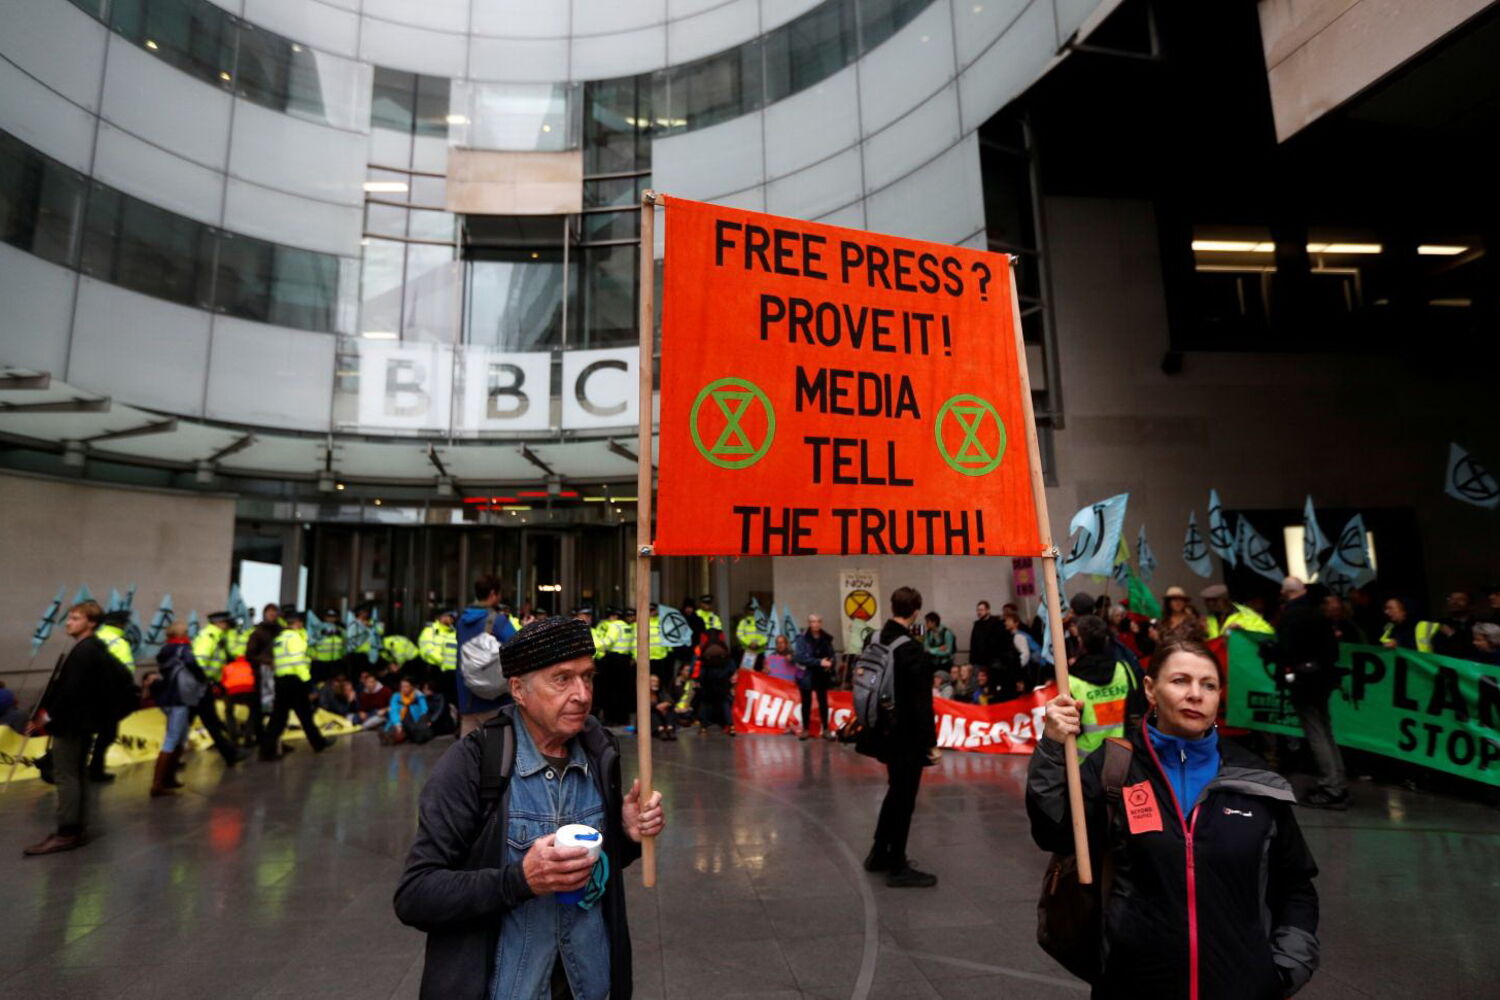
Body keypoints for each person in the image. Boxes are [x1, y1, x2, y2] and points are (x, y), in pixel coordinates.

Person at [1028, 633, 1321, 998]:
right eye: (1180, 680)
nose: (1195, 694)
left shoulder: (1255, 780)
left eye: (1208, 685)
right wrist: (1052, 747)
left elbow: (1295, 884)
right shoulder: (1115, 768)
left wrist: (1288, 967)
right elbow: (1052, 831)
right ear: (1150, 689)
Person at [393, 616, 665, 1000]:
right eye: (562, 679)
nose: (582, 694)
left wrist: (625, 834)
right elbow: (415, 895)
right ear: (519, 689)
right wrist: (520, 880)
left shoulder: (598, 749)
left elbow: (595, 869)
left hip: (589, 985)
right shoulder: (474, 764)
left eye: (587, 677)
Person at [25, 601, 123, 855]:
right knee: (77, 774)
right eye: (69, 618)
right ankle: (76, 828)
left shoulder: (84, 651)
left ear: (91, 623)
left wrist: (46, 717)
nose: (68, 622)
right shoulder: (94, 648)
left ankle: (67, 832)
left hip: (71, 723)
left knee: (66, 775)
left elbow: (71, 690)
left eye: (76, 618)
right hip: (83, 722)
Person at [863, 587, 939, 888]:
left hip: (880, 730)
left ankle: (879, 853)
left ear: (892, 606)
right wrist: (931, 743)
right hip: (906, 736)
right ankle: (897, 865)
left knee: (895, 791)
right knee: (904, 798)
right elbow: (922, 704)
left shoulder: (874, 639)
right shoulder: (912, 650)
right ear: (916, 611)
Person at [1277, 581, 1347, 809]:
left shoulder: (1292, 615)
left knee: (1316, 732)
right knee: (1326, 730)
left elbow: (1286, 650)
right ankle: (1338, 781)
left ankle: (1331, 786)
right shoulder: (1318, 613)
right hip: (1322, 679)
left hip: (1304, 681)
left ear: (1286, 592)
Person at [259, 609, 335, 760]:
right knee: (301, 715)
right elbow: (298, 662)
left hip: (281, 680)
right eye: (301, 622)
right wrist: (307, 681)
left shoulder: (280, 638)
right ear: (298, 623)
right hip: (295, 681)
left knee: (281, 717)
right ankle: (317, 743)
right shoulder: (295, 638)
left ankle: (268, 749)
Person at [1066, 615, 1146, 755]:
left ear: (1080, 641)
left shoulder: (1070, 680)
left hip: (1084, 759)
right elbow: (1137, 709)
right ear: (1107, 640)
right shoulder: (1124, 670)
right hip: (1121, 754)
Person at [151, 621, 210, 797]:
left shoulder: (165, 650)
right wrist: (203, 678)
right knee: (172, 740)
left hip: (168, 697)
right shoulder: (183, 650)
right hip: (180, 697)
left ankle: (169, 778)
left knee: (180, 738)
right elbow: (193, 665)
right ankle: (158, 784)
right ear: (182, 634)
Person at [456, 575, 517, 736]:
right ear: (492, 594)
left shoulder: (462, 621)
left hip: (467, 698)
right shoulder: (498, 621)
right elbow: (517, 646)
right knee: (500, 745)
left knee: (469, 747)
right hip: (494, 699)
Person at [189, 610, 249, 765]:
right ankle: (230, 754)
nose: (229, 625)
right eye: (227, 623)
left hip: (202, 686)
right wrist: (206, 682)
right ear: (219, 623)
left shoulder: (217, 637)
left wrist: (216, 682)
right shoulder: (209, 637)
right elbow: (199, 662)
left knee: (210, 722)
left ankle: (230, 753)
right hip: (200, 686)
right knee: (209, 722)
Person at [88, 609, 136, 783]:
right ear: (121, 624)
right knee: (107, 734)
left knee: (87, 733)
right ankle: (96, 770)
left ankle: (87, 768)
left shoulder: (95, 638)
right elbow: (127, 672)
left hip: (90, 694)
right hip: (109, 697)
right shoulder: (120, 642)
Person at [793, 613, 836, 740]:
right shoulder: (802, 639)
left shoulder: (826, 638)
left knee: (823, 702)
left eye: (818, 621)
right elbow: (799, 657)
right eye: (813, 622)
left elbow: (832, 654)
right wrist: (819, 662)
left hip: (822, 674)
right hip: (807, 674)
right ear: (809, 623)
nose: (815, 624)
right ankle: (805, 729)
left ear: (821, 623)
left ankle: (826, 729)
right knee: (806, 702)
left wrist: (831, 663)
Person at [696, 638, 737, 736]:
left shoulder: (706, 648)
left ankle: (703, 727)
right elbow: (732, 669)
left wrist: (699, 681)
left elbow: (700, 670)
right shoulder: (723, 649)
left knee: (705, 703)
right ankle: (731, 726)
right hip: (723, 680)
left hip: (709, 680)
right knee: (725, 703)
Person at [419, 609, 459, 703]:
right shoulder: (430, 630)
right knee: (435, 699)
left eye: (453, 617)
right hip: (435, 670)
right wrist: (442, 662)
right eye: (449, 616)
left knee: (450, 699)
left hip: (452, 672)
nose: (451, 619)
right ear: (441, 617)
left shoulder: (454, 632)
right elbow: (427, 650)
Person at [382, 676, 431, 746]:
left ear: (412, 687)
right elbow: (394, 710)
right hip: (400, 719)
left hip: (414, 720)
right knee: (393, 728)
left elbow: (424, 709)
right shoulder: (396, 696)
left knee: (416, 733)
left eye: (406, 686)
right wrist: (397, 724)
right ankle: (391, 736)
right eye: (402, 687)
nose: (404, 689)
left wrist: (423, 720)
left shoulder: (418, 695)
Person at [968, 600, 1006, 684]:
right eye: (978, 610)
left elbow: (1000, 641)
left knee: (993, 681)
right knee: (977, 681)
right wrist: (972, 660)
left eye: (981, 610)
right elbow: (973, 642)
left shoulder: (996, 623)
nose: (979, 612)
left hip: (993, 658)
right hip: (979, 659)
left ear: (988, 610)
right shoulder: (977, 624)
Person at [1433, 590, 1477, 660]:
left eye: (1460, 599)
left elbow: (1472, 651)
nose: (1454, 602)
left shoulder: (1478, 625)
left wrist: (1451, 635)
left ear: (1471, 605)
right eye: (1451, 599)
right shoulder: (1440, 624)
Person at [735, 602, 768, 670]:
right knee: (747, 672)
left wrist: (759, 644)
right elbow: (739, 635)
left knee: (760, 674)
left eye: (755, 609)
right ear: (747, 610)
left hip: (761, 652)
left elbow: (767, 635)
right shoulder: (743, 622)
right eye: (751, 609)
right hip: (748, 652)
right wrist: (749, 643)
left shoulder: (764, 622)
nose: (753, 611)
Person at [649, 673, 677, 740]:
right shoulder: (643, 692)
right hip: (651, 719)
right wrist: (656, 706)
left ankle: (670, 729)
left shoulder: (660, 691)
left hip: (662, 715)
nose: (655, 683)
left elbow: (670, 700)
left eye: (657, 682)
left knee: (671, 708)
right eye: (653, 681)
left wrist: (666, 704)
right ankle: (660, 730)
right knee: (652, 711)